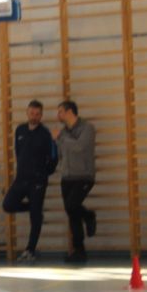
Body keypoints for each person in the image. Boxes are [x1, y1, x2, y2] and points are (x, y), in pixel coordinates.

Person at [2, 100, 58, 264]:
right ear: (27, 113)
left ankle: (30, 250)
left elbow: (53, 158)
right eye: (32, 113)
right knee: (8, 205)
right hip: (21, 179)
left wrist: (43, 173)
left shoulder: (45, 134)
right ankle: (34, 208)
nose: (34, 116)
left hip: (37, 181)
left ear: (41, 115)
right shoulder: (20, 130)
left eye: (37, 114)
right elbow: (18, 153)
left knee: (35, 217)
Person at [52, 100, 96, 264]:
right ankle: (79, 251)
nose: (58, 115)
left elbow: (79, 146)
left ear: (70, 112)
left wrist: (60, 137)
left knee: (72, 206)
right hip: (67, 177)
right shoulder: (64, 132)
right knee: (72, 214)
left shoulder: (87, 128)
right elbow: (62, 153)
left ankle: (89, 215)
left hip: (83, 176)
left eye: (60, 111)